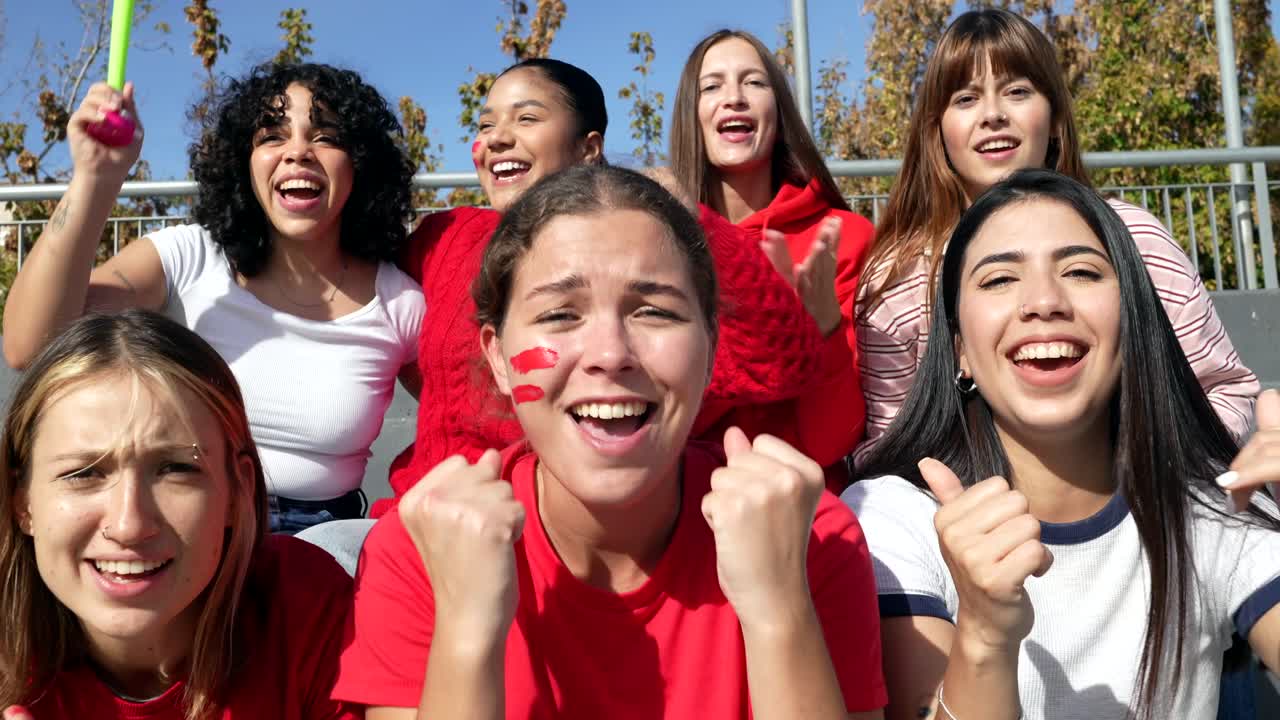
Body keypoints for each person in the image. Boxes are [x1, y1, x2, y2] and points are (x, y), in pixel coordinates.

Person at [334, 165, 887, 719]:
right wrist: (466, 634)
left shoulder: (810, 536)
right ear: (498, 357)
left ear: (712, 344)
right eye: (559, 314)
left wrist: (780, 612)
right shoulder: (421, 551)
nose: (610, 352)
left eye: (654, 311)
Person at [842, 169, 1280, 720]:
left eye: (1080, 271)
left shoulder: (1214, 506)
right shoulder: (891, 518)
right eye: (999, 280)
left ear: (1134, 323)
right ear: (959, 351)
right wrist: (983, 635)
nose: (1044, 301)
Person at [379, 57, 834, 517]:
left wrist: (690, 219)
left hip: (573, 534)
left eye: (527, 118)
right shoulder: (445, 236)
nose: (496, 137)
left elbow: (783, 364)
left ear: (588, 148)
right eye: (486, 124)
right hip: (422, 514)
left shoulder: (644, 247)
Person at [2, 63, 424, 533]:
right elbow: (31, 344)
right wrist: (95, 179)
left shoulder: (400, 303)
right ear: (244, 162)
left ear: (361, 163)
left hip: (322, 548)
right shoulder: (189, 256)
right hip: (187, 527)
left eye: (325, 136)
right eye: (272, 135)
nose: (298, 152)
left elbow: (464, 422)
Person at [851, 8, 1259, 469]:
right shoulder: (898, 275)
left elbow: (1221, 388)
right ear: (936, 131)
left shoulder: (1136, 238)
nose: (993, 115)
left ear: (1055, 115)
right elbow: (887, 445)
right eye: (966, 99)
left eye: (1018, 91)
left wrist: (1149, 484)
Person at [0, 311, 356, 719]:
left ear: (237, 491)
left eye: (175, 469)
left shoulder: (304, 613)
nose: (128, 525)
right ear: (22, 500)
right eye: (83, 474)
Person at [669, 29, 873, 476]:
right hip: (675, 505)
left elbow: (831, 442)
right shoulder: (660, 243)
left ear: (779, 112)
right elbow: (665, 424)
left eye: (755, 83)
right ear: (691, 115)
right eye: (712, 86)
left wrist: (823, 331)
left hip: (805, 508)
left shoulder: (844, 237)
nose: (734, 98)